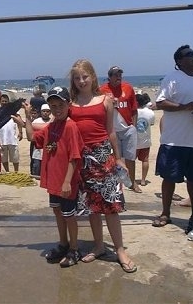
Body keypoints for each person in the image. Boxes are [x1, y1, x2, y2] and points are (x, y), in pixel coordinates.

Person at [69, 59, 137, 273]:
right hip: (82, 159)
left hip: (104, 156)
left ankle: (119, 250)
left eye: (85, 77)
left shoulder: (106, 100)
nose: (81, 81)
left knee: (111, 207)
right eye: (77, 78)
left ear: (93, 77)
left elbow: (111, 132)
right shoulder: (70, 103)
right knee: (92, 207)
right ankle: (99, 246)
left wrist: (118, 159)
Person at [24, 87, 85, 268]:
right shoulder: (52, 126)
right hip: (53, 181)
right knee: (58, 212)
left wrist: (67, 181)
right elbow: (32, 138)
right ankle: (63, 243)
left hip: (66, 182)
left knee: (69, 215)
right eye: (53, 105)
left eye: (60, 104)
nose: (57, 109)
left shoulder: (70, 126)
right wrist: (27, 117)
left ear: (68, 105)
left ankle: (74, 248)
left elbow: (75, 157)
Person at [152, 45, 193, 231]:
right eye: (189, 55)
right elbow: (160, 102)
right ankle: (165, 213)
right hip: (174, 140)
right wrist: (184, 106)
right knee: (169, 178)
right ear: (179, 61)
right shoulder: (172, 78)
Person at [100, 66, 140, 193]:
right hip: (112, 129)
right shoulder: (102, 89)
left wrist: (133, 125)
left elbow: (134, 109)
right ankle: (117, 184)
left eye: (120, 75)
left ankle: (132, 183)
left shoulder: (128, 88)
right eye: (115, 75)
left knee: (130, 158)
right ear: (109, 77)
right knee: (114, 158)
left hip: (128, 128)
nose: (118, 77)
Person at [0, 93, 22, 172]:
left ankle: (16, 172)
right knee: (3, 158)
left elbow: (19, 122)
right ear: (0, 102)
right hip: (2, 139)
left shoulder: (13, 111)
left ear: (8, 102)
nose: (4, 102)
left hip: (12, 140)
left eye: (6, 101)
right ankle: (7, 171)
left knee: (15, 158)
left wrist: (20, 132)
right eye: (3, 101)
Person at [135, 93, 155, 186]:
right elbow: (151, 124)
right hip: (146, 140)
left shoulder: (134, 112)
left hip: (134, 141)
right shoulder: (150, 112)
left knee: (131, 160)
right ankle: (143, 180)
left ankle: (132, 178)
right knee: (145, 160)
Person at [30, 103, 52, 176]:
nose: (45, 113)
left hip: (48, 149)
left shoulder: (52, 121)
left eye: (47, 111)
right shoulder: (36, 121)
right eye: (44, 111)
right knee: (36, 166)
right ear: (41, 112)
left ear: (50, 112)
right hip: (37, 149)